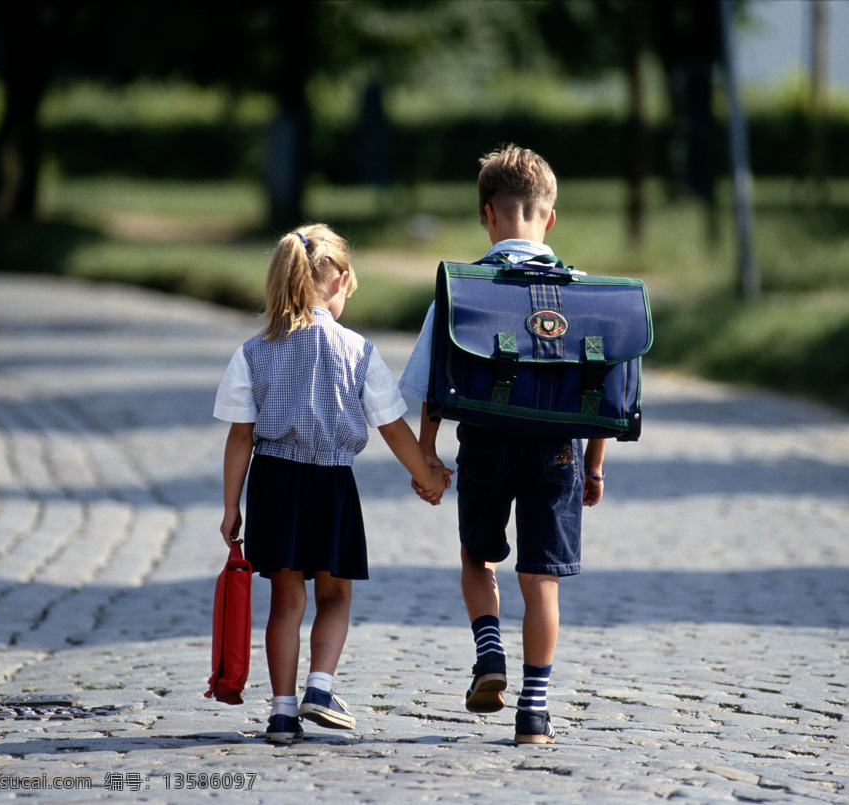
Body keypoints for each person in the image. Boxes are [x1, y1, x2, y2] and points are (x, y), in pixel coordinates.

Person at [399, 145, 606, 744]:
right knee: (541, 580)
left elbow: (432, 387)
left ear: (487, 215)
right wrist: (593, 466)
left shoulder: (462, 292)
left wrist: (428, 457)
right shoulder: (582, 293)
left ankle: (489, 654)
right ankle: (534, 713)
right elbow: (598, 393)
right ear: (551, 216)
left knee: (477, 556)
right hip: (558, 450)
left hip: (486, 445)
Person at [214, 223, 451, 745]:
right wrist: (428, 476)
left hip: (274, 483)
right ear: (341, 278)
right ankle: (319, 687)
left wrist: (231, 507)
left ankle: (280, 713)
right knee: (335, 596)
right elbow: (392, 427)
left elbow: (240, 436)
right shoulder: (358, 351)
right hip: (332, 487)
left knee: (285, 602)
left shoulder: (254, 352)